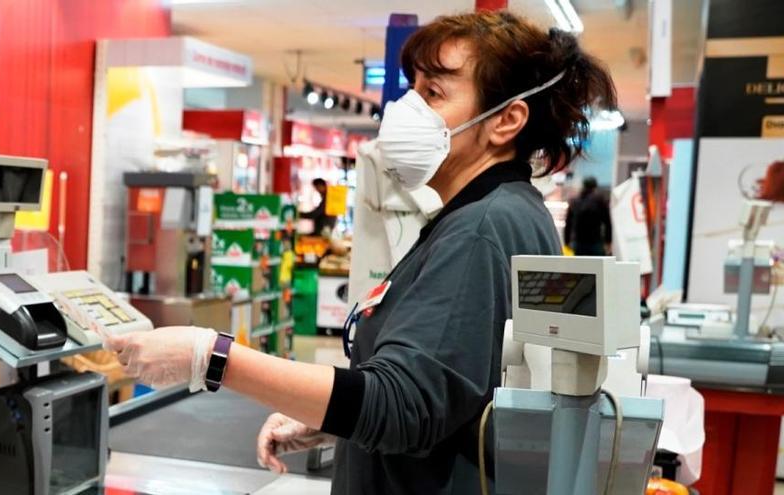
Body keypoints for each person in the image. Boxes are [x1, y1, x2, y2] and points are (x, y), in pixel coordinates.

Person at [104, 10, 616, 495]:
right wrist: (334, 422)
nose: (405, 109)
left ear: (506, 121)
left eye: (434, 92)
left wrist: (209, 357)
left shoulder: (481, 228)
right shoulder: (501, 213)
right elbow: (452, 398)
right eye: (413, 89)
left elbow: (402, 406)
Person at [564, 176, 613, 256]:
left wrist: (567, 241)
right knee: (597, 267)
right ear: (595, 187)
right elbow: (607, 222)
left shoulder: (575, 202)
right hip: (595, 242)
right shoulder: (599, 201)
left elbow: (568, 224)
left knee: (581, 266)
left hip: (578, 243)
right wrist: (608, 241)